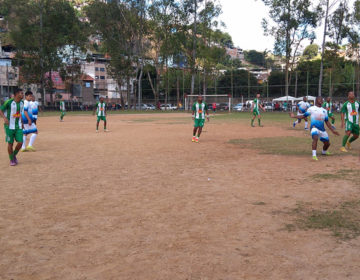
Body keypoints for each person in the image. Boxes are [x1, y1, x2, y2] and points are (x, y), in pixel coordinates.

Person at [290, 96, 339, 161]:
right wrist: (294, 116)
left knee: (327, 144)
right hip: (314, 128)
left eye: (322, 99)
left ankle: (324, 152)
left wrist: (332, 131)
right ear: (316, 100)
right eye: (320, 99)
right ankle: (314, 155)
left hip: (322, 129)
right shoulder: (311, 108)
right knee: (315, 138)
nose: (321, 100)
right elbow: (303, 116)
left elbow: (327, 121)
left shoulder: (324, 110)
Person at [0, 87, 24, 166]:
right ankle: (12, 160)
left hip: (18, 126)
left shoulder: (22, 103)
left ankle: (13, 155)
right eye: (21, 93)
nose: (22, 94)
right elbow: (1, 110)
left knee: (20, 142)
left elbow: (20, 113)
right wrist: (5, 118)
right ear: (16, 94)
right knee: (10, 143)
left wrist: (22, 122)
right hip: (9, 126)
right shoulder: (9, 102)